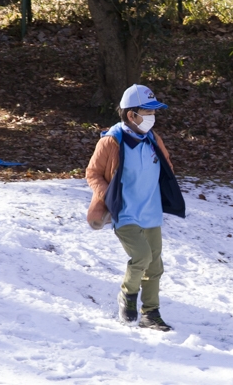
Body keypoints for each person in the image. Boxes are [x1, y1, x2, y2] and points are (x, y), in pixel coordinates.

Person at [86, 84, 185, 331]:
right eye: (148, 112)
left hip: (151, 212)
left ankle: (151, 313)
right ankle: (127, 296)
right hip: (125, 212)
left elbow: (166, 165)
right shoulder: (111, 141)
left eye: (153, 112)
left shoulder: (152, 139)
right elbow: (93, 173)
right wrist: (108, 196)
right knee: (141, 256)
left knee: (155, 266)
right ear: (132, 115)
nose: (152, 117)